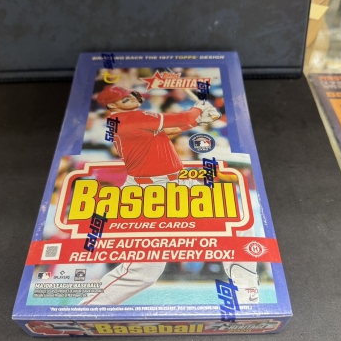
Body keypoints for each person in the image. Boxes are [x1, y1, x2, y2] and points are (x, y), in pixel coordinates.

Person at [80, 85, 259, 306]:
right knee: (144, 270)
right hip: (150, 192)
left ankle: (247, 293)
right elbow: (180, 118)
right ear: (112, 105)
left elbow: (166, 132)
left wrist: (197, 121)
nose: (131, 98)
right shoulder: (131, 118)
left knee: (237, 221)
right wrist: (199, 108)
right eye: (124, 99)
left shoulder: (126, 121)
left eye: (131, 95)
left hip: (177, 183)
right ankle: (88, 309)